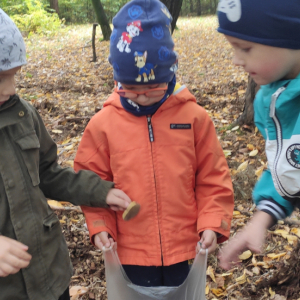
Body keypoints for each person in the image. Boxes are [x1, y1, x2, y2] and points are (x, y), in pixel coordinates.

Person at [74, 0, 234, 287]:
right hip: (131, 250)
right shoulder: (103, 125)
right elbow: (91, 181)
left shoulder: (194, 118)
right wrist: (100, 225)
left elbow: (213, 176)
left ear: (170, 76)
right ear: (118, 79)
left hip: (185, 247)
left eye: (153, 88)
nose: (143, 97)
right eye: (132, 90)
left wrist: (212, 223)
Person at [0, 8, 132, 300]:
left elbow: (47, 173)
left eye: (14, 76)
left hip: (47, 274)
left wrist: (99, 191)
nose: (10, 89)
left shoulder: (22, 114)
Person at [216, 0, 300, 270]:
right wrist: (260, 220)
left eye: (246, 48)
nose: (236, 60)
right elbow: (289, 169)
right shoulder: (271, 103)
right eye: (233, 47)